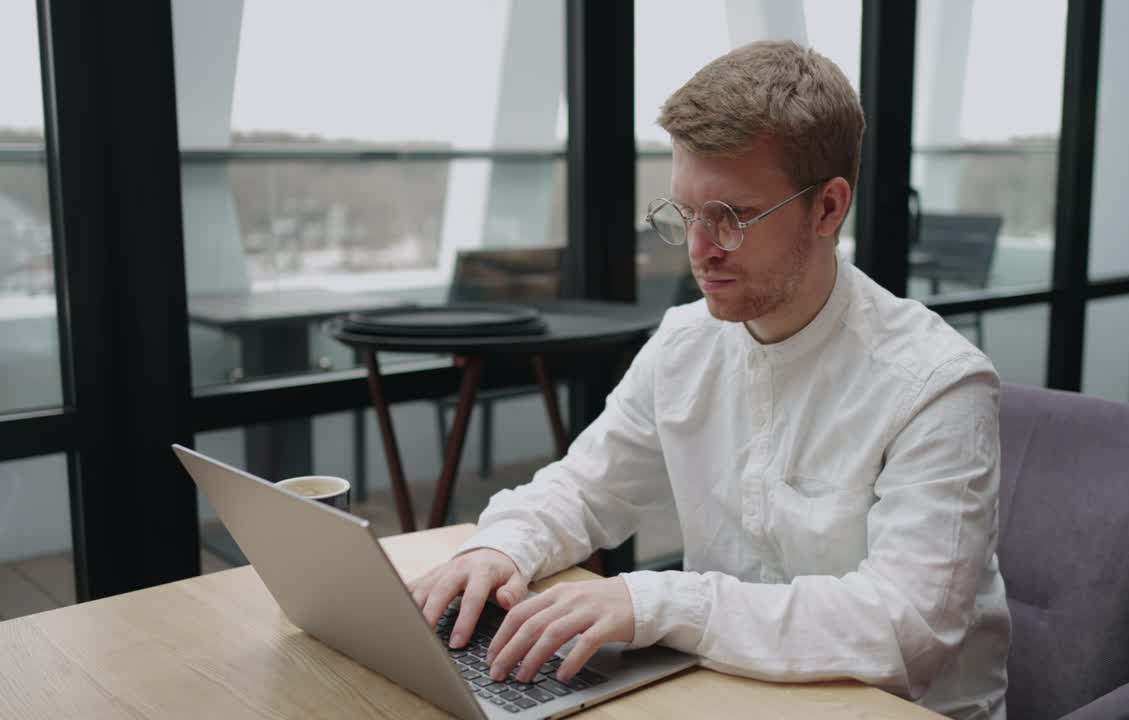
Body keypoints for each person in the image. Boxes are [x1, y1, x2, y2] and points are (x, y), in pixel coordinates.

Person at [408, 40, 1010, 719]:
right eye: (686, 213)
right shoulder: (686, 343)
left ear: (828, 209)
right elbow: (584, 487)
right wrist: (501, 545)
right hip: (728, 692)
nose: (698, 250)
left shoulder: (936, 383)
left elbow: (906, 629)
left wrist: (657, 601)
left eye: (733, 216)